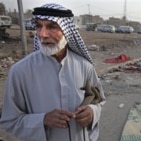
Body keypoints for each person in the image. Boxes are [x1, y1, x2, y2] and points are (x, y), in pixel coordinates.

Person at [0, 3, 105, 141]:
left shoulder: (85, 67)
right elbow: (10, 121)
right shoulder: (20, 71)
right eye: (38, 26)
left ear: (67, 31)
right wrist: (43, 120)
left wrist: (92, 112)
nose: (42, 34)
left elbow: (99, 100)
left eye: (51, 27)